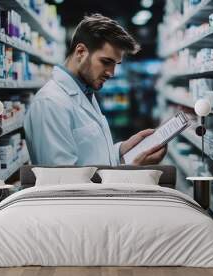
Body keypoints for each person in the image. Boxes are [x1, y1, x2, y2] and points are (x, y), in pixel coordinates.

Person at [24, 14, 167, 166]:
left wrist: (122, 151)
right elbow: (63, 185)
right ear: (80, 52)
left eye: (116, 64)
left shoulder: (85, 91)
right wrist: (129, 168)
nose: (111, 73)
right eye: (106, 62)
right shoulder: (50, 104)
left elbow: (90, 158)